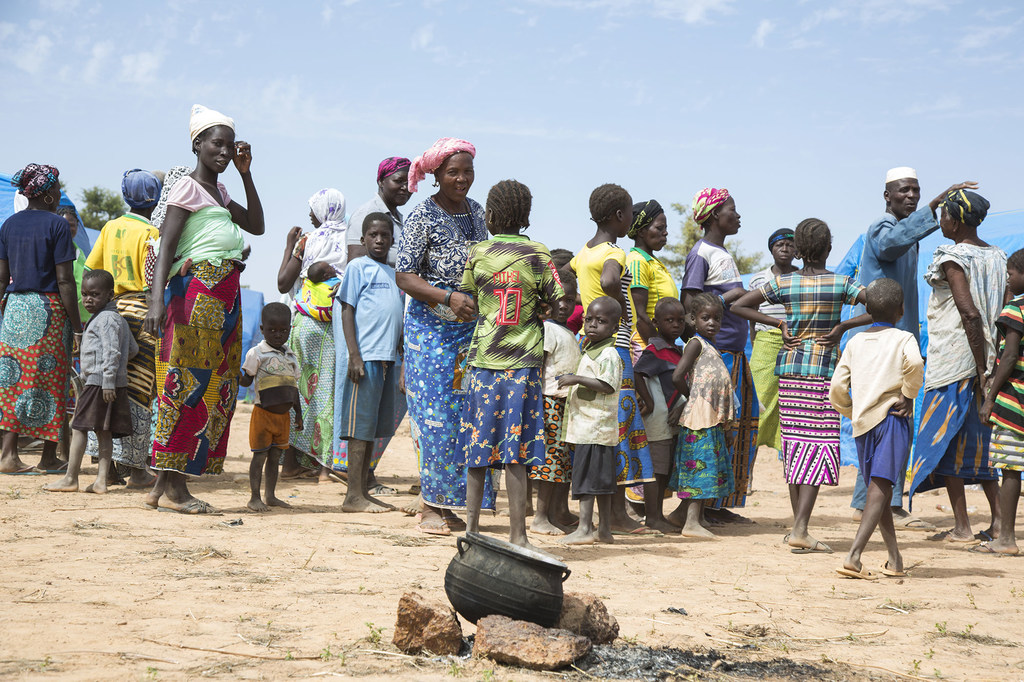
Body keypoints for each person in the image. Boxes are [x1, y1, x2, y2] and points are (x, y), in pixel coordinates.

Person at [143, 104, 264, 514]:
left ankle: (162, 484)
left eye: (230, 146)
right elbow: (167, 248)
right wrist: (156, 300)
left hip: (222, 302)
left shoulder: (222, 192)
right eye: (218, 144)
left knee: (209, 387)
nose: (225, 152)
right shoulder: (186, 189)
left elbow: (258, 225)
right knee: (188, 386)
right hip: (194, 298)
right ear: (197, 145)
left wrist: (247, 174)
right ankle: (177, 491)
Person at [848, 167, 976, 529]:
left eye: (917, 191)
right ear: (887, 195)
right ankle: (878, 504)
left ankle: (874, 501)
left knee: (891, 420)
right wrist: (934, 205)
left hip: (898, 340)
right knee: (885, 420)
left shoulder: (910, 234)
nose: (912, 196)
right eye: (904, 191)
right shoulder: (881, 229)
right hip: (877, 342)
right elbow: (891, 243)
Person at [732, 219, 867, 553]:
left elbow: (738, 305)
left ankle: (798, 527)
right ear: (828, 248)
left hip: (790, 372)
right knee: (818, 447)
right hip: (823, 374)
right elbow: (885, 305)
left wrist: (778, 322)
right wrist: (843, 327)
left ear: (801, 250)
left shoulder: (785, 283)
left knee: (795, 447)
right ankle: (801, 528)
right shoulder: (842, 283)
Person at [396, 137, 492, 535]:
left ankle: (454, 505)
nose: (462, 178)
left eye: (467, 171)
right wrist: (447, 296)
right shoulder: (422, 217)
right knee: (433, 418)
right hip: (431, 333)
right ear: (436, 174)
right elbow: (404, 275)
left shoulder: (477, 213)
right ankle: (429, 508)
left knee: (465, 417)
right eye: (453, 171)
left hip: (469, 333)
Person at [460, 180, 564, 547]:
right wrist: (542, 307)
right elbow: (560, 301)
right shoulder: (538, 253)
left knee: (478, 449)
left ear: (489, 215)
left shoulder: (478, 252)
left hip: (485, 363)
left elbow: (467, 300)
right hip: (523, 366)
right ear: (527, 216)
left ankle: (471, 532)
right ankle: (518, 535)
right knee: (516, 453)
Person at [909, 190, 1005, 542]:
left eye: (944, 215)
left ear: (957, 219)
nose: (940, 221)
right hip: (989, 361)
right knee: (981, 446)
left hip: (957, 362)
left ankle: (963, 526)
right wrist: (990, 366)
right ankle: (998, 522)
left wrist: (979, 365)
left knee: (947, 442)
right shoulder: (997, 255)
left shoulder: (951, 256)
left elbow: (969, 314)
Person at [567, 183, 656, 534]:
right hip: (616, 341)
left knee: (602, 424)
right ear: (620, 216)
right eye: (631, 214)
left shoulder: (581, 252)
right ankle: (614, 514)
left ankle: (610, 515)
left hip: (589, 343)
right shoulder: (613, 253)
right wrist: (619, 308)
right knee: (618, 425)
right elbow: (608, 281)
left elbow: (573, 281)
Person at [830, 278, 924, 579]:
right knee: (880, 486)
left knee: (877, 488)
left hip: (863, 425)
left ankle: (895, 559)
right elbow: (916, 364)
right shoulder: (904, 338)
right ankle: (855, 555)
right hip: (891, 419)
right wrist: (908, 395)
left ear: (867, 309)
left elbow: (836, 387)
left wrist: (850, 410)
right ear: (901, 310)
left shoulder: (855, 342)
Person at [680, 188, 757, 523]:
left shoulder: (720, 252)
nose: (738, 216)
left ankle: (718, 504)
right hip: (718, 356)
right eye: (732, 210)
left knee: (738, 427)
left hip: (734, 353)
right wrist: (729, 300)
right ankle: (702, 507)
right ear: (713, 215)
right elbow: (689, 305)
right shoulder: (701, 254)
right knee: (717, 426)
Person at [0, 164, 81, 475]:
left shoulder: (8, 226)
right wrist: (76, 326)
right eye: (57, 188)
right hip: (48, 310)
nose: (60, 193)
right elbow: (64, 281)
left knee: (13, 380)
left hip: (15, 309)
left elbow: (1, 277)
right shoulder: (57, 226)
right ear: (47, 195)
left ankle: (9, 454)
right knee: (51, 381)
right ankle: (47, 457)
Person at [84, 169, 162, 488]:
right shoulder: (152, 234)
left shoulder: (111, 226)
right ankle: (138, 469)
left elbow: (92, 268)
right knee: (140, 391)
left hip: (113, 310)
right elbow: (155, 279)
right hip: (143, 313)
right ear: (155, 200)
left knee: (112, 384)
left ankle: (110, 467)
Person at [42, 270, 137, 494]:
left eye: (94, 294)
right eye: (84, 294)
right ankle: (101, 481)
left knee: (79, 427)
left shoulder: (104, 319)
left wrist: (106, 380)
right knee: (103, 431)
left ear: (110, 295)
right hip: (110, 383)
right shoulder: (117, 319)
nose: (88, 299)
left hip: (99, 384)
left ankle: (70, 478)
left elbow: (113, 351)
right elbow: (131, 350)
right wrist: (115, 373)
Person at [276, 188, 347, 480]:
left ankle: (291, 462)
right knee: (327, 395)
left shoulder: (308, 241)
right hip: (337, 326)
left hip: (305, 324)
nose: (309, 216)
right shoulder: (352, 240)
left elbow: (283, 283)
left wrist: (289, 246)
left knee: (300, 393)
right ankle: (322, 464)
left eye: (312, 210)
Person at [337, 213, 404, 513]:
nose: (379, 240)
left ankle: (363, 490)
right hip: (365, 359)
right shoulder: (356, 267)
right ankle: (352, 496)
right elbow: (347, 311)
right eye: (373, 235)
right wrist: (354, 354)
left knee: (374, 427)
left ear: (392, 239)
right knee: (359, 428)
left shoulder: (393, 274)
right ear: (363, 239)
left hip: (388, 359)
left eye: (385, 235)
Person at [669, 293, 737, 538]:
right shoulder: (696, 343)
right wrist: (693, 398)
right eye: (705, 318)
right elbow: (678, 376)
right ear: (693, 320)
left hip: (710, 417)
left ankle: (683, 515)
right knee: (700, 468)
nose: (712, 323)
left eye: (717, 318)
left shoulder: (710, 346)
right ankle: (691, 524)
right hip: (700, 418)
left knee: (708, 465)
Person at [558, 296, 623, 545]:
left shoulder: (608, 354)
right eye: (589, 319)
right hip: (589, 428)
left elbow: (607, 385)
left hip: (595, 429)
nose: (593, 325)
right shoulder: (590, 349)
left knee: (587, 482)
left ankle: (586, 528)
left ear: (614, 328)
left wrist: (576, 379)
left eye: (601, 321)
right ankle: (604, 530)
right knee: (600, 482)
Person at [977, 248, 1024, 555]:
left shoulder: (1015, 309)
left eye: (1010, 274)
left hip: (1013, 403)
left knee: (1009, 468)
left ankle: (1006, 538)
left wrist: (990, 397)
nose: (1008, 280)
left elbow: (1009, 356)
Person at [530, 275, 582, 536]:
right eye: (559, 298)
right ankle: (539, 518)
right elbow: (538, 366)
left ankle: (550, 514)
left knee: (559, 464)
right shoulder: (548, 329)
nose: (564, 304)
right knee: (549, 464)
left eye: (570, 299)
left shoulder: (567, 332)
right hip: (549, 403)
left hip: (564, 406)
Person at [633, 297, 688, 533]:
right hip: (658, 420)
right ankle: (652, 517)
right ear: (656, 322)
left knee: (664, 469)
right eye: (669, 320)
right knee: (656, 469)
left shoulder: (676, 350)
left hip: (671, 419)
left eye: (679, 320)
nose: (676, 325)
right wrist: (648, 401)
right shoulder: (655, 350)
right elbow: (637, 374)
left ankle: (658, 515)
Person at [239, 302, 301, 512]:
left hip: (283, 417)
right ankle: (254, 498)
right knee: (260, 455)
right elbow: (247, 380)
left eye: (283, 330)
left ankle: (271, 496)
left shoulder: (291, 356)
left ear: (289, 330)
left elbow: (294, 389)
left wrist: (299, 415)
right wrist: (235, 376)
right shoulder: (256, 353)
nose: (277, 335)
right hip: (263, 414)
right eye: (272, 330)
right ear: (262, 329)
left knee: (275, 458)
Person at [747, 228, 797, 452]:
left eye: (790, 245)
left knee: (791, 405)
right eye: (780, 245)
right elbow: (751, 315)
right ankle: (747, 475)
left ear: (797, 250)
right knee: (756, 404)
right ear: (771, 249)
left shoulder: (802, 276)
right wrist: (757, 344)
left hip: (794, 345)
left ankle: (786, 459)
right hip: (765, 346)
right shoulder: (758, 279)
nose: (785, 249)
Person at [627, 199, 678, 360]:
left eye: (666, 228)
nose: (665, 233)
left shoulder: (653, 262)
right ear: (641, 231)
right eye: (659, 228)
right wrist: (661, 352)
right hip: (646, 349)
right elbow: (641, 317)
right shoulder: (637, 262)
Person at [347, 157, 412, 265]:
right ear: (381, 182)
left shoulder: (398, 219)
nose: (405, 187)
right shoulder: (366, 214)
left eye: (409, 183)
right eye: (398, 181)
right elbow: (357, 265)